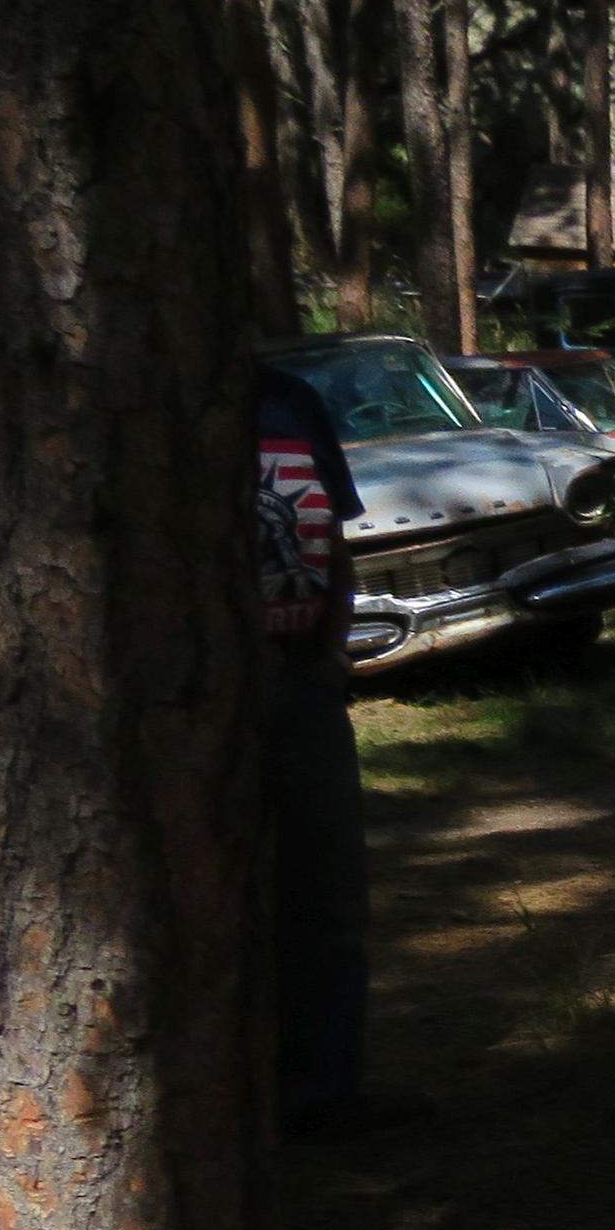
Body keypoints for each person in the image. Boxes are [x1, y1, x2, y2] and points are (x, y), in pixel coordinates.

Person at [253, 362, 377, 1137]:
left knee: (327, 894)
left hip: (299, 682)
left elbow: (328, 532)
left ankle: (321, 1095)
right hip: (189, 695)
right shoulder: (134, 384)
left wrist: (329, 645)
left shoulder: (287, 397)